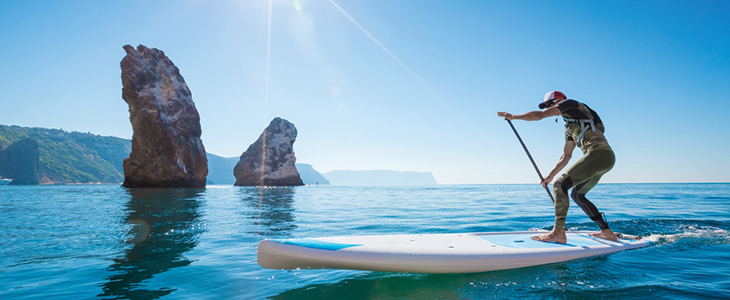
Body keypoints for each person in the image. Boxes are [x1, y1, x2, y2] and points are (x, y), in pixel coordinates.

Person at [497, 91, 617, 244]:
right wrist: (550, 176)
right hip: (602, 159)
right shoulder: (569, 127)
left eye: (551, 103)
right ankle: (606, 232)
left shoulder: (570, 103)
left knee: (560, 185)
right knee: (577, 195)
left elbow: (540, 115)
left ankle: (558, 232)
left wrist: (513, 116)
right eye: (548, 105)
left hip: (600, 154)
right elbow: (565, 156)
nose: (550, 107)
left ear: (560, 100)